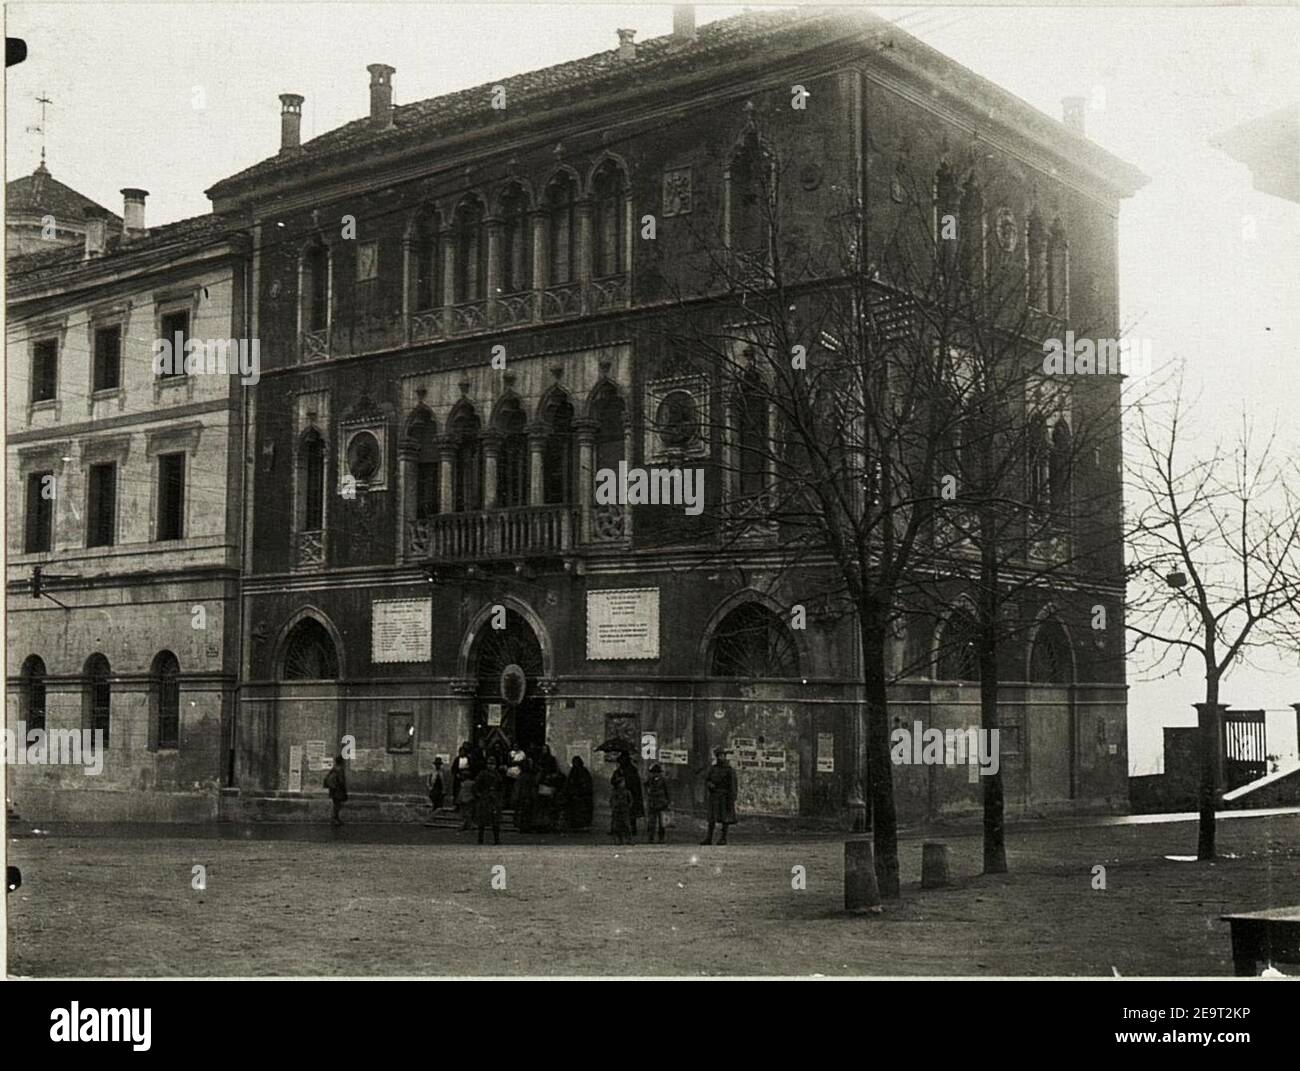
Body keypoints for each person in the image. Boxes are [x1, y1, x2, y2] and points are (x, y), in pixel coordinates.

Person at [702, 747, 738, 845]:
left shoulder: (729, 769)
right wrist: (710, 784)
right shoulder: (713, 769)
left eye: (722, 755)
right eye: (719, 756)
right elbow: (707, 779)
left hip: (725, 796)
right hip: (715, 796)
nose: (721, 757)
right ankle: (709, 838)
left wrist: (733, 796)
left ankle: (723, 838)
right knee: (712, 818)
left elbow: (733, 783)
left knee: (725, 819)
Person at [474, 755, 505, 845]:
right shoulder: (482, 774)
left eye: (492, 764)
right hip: (485, 799)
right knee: (482, 821)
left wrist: (500, 797)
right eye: (489, 764)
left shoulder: (498, 775)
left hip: (494, 800)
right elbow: (476, 786)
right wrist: (479, 795)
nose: (491, 766)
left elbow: (501, 787)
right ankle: (480, 839)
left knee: (496, 821)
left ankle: (496, 839)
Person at [615, 751, 644, 836]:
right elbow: (613, 780)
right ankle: (622, 829)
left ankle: (631, 829)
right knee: (621, 813)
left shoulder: (631, 770)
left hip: (630, 794)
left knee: (630, 813)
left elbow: (633, 783)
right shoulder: (621, 770)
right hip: (622, 794)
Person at [564, 755, 594, 832]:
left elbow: (587, 783)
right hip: (575, 793)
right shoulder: (573, 771)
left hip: (582, 794)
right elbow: (569, 782)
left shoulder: (583, 771)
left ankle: (581, 823)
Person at [644, 763, 671, 843]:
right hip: (660, 802)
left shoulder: (651, 779)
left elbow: (646, 787)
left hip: (655, 802)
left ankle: (652, 838)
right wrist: (668, 801)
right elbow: (667, 791)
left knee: (654, 822)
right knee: (660, 822)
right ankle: (659, 838)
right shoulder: (662, 779)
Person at [609, 771, 633, 845]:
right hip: (617, 810)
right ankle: (619, 839)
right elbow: (611, 800)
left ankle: (628, 839)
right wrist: (613, 807)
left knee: (626, 825)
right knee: (617, 826)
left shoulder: (627, 792)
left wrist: (629, 806)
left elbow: (630, 800)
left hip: (625, 810)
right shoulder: (615, 792)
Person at [323, 755, 348, 826]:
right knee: (338, 805)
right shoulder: (340, 769)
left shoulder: (333, 768)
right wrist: (344, 790)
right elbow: (341, 781)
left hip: (333, 789)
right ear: (342, 762)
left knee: (335, 804)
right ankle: (335, 819)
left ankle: (336, 818)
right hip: (338, 790)